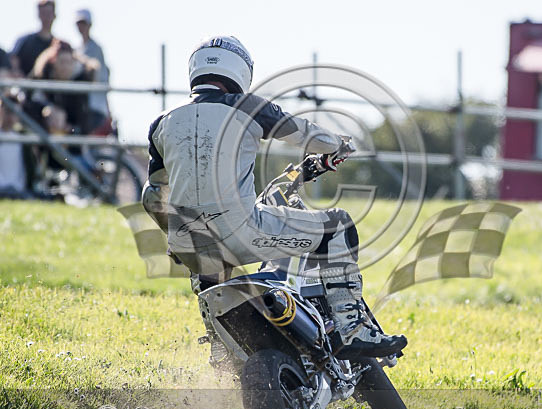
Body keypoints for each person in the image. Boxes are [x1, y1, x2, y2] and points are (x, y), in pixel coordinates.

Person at [142, 36, 406, 357]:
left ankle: (221, 349)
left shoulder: (162, 122)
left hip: (190, 243)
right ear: (240, 70)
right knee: (337, 226)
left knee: (210, 276)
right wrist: (337, 145)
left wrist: (175, 232)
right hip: (242, 233)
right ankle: (351, 329)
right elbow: (305, 134)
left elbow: (152, 195)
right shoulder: (247, 106)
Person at [27, 39, 99, 135]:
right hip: (42, 132)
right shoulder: (41, 75)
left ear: (74, 62)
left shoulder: (81, 81)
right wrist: (44, 111)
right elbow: (27, 102)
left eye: (68, 62)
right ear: (53, 62)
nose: (65, 67)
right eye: (62, 62)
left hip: (70, 135)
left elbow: (83, 119)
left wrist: (71, 128)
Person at [75, 8, 110, 133]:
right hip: (82, 107)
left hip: (95, 107)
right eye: (79, 23)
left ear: (90, 25)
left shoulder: (96, 49)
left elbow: (101, 78)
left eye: (84, 23)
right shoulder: (77, 49)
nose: (81, 27)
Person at [11, 0, 55, 77]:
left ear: (54, 15)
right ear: (39, 15)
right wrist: (16, 72)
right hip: (26, 83)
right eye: (43, 13)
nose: (46, 17)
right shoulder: (25, 41)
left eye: (49, 13)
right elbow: (14, 59)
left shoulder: (58, 45)